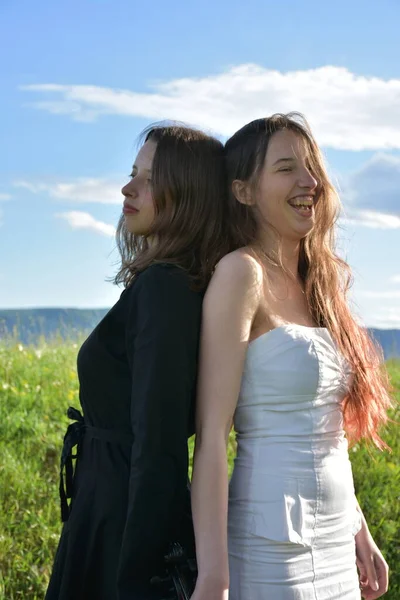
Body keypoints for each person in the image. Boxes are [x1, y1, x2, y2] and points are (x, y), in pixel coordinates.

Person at [190, 113, 392, 600]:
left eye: (311, 167)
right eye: (286, 168)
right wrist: (213, 576)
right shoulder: (241, 274)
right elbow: (213, 435)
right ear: (243, 191)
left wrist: (358, 528)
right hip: (269, 545)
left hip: (338, 542)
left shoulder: (318, 284)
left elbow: (327, 430)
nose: (310, 182)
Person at [45, 124, 229, 600]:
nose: (129, 188)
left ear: (187, 194)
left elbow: (159, 446)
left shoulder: (165, 288)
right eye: (132, 174)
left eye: (150, 178)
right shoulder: (164, 284)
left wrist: (138, 576)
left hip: (122, 519)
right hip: (107, 505)